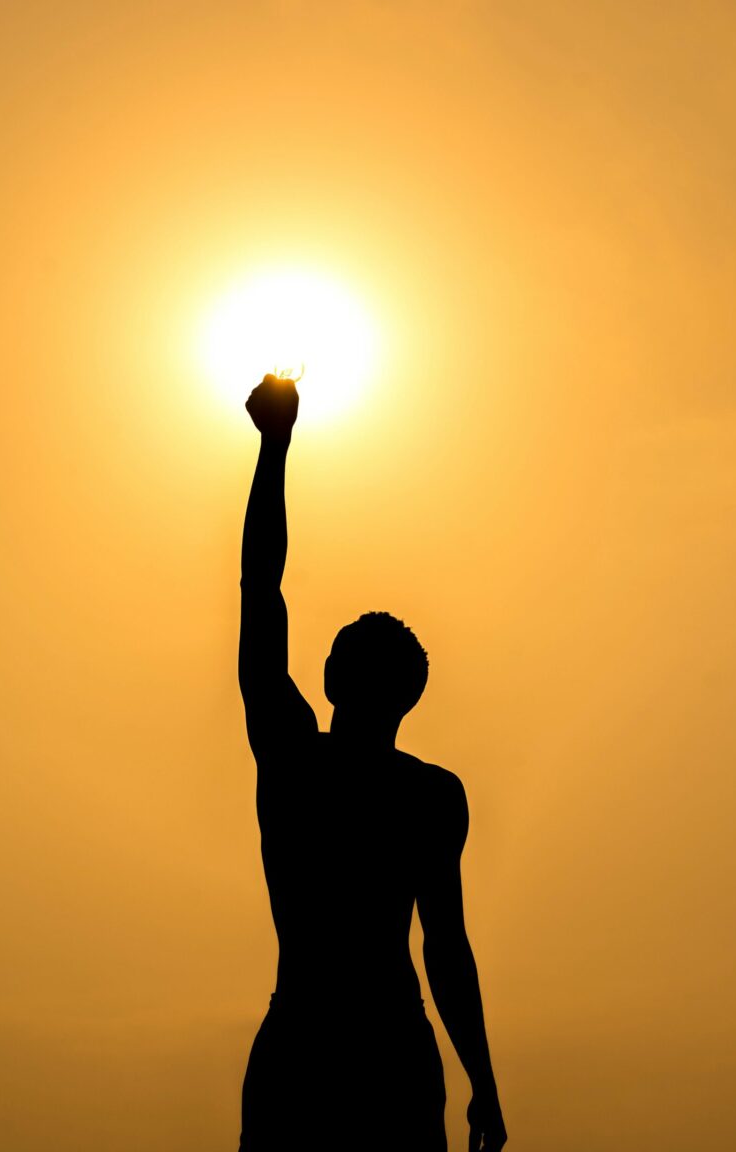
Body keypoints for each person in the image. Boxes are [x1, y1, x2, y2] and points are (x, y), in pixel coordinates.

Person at [237, 374, 506, 1152]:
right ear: (409, 697)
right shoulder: (428, 796)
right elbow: (445, 949)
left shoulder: (294, 759)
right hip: (389, 1051)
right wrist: (483, 1081)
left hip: (308, 1045)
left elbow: (261, 590)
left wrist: (274, 448)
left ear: (329, 679)